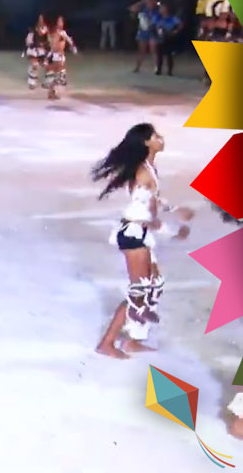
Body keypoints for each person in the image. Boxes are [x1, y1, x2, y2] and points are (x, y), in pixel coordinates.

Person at [92, 124, 192, 358]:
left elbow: (153, 199)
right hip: (134, 233)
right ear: (146, 142)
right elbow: (147, 216)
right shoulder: (143, 171)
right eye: (156, 136)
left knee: (154, 285)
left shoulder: (149, 168)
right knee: (138, 292)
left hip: (140, 232)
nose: (161, 138)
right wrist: (173, 231)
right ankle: (107, 343)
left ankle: (133, 340)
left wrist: (175, 210)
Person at [130, 0, 159, 73]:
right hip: (143, 32)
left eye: (151, 2)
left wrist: (156, 2)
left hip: (153, 32)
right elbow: (132, 8)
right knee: (141, 50)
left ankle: (157, 67)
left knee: (153, 49)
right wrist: (141, 2)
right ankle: (138, 66)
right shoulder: (142, 10)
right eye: (148, 2)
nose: (150, 3)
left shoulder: (157, 11)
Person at [153, 3, 183, 76]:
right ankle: (159, 68)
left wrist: (175, 31)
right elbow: (154, 24)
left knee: (169, 54)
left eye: (163, 8)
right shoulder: (158, 17)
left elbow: (180, 24)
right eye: (161, 8)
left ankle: (170, 70)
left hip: (169, 37)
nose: (162, 10)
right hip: (160, 36)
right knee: (159, 54)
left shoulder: (172, 18)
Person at [24, 15, 49, 90]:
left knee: (47, 65)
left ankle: (47, 82)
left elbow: (50, 42)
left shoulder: (47, 31)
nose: (41, 21)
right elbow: (28, 42)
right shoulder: (32, 32)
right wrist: (35, 44)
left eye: (42, 19)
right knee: (35, 65)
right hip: (34, 50)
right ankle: (32, 82)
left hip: (44, 51)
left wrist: (45, 45)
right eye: (39, 19)